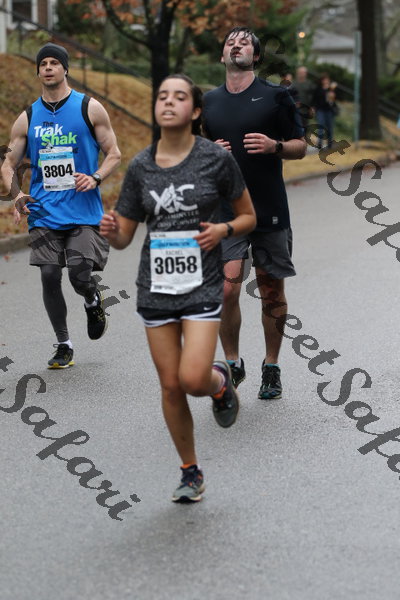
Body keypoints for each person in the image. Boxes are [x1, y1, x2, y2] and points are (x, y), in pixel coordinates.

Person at [100, 74, 256, 502]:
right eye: (163, 96)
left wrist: (222, 229)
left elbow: (248, 217)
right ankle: (190, 471)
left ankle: (218, 383)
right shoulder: (141, 166)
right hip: (156, 287)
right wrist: (112, 230)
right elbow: (125, 236)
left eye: (179, 97)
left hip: (202, 284)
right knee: (171, 385)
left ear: (196, 110)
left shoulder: (215, 159)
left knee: (191, 378)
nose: (168, 102)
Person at [1, 43, 121, 368]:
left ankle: (92, 299)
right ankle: (64, 344)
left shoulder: (89, 108)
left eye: (55, 62)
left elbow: (114, 153)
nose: (49, 68)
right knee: (49, 274)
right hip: (44, 212)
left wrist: (95, 177)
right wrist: (17, 195)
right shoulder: (28, 117)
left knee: (80, 276)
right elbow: (8, 164)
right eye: (43, 64)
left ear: (65, 69)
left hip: (83, 211)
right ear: (38, 71)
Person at [203, 26, 306, 400]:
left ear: (256, 56)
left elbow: (301, 146)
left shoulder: (277, 96)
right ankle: (233, 362)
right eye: (230, 42)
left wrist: (275, 145)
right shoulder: (209, 101)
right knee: (225, 289)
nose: (236, 45)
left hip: (268, 208)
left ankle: (271, 365)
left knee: (271, 290)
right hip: (227, 212)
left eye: (244, 42)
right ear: (222, 55)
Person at [312, 73, 338, 148]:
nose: (326, 81)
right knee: (321, 126)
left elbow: (333, 100)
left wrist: (331, 91)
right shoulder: (318, 89)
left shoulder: (331, 89)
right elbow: (314, 99)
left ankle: (329, 143)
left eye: (327, 80)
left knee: (330, 127)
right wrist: (313, 107)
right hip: (320, 110)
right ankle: (319, 143)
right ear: (322, 81)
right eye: (324, 80)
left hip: (329, 110)